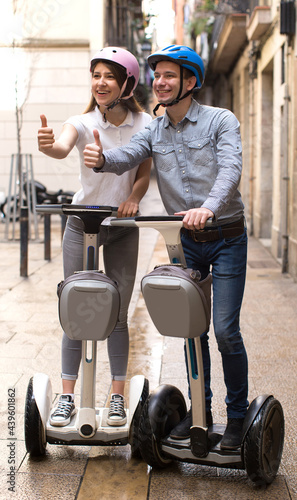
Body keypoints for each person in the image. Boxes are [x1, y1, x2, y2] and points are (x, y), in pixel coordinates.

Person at [83, 44, 249, 450]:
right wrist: (102, 159)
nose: (160, 82)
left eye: (170, 75)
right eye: (156, 75)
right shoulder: (155, 130)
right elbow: (128, 155)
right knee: (193, 331)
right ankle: (200, 412)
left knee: (225, 331)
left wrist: (206, 208)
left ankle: (239, 417)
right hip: (186, 243)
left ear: (190, 82)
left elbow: (230, 169)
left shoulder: (220, 121)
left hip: (225, 237)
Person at [37, 46, 152, 427]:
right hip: (81, 223)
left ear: (126, 84)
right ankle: (67, 396)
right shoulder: (82, 121)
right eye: (96, 75)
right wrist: (48, 145)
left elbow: (143, 174)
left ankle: (116, 396)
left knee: (117, 311)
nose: (100, 83)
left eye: (109, 76)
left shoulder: (145, 125)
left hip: (121, 227)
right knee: (76, 309)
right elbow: (61, 146)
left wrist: (134, 198)